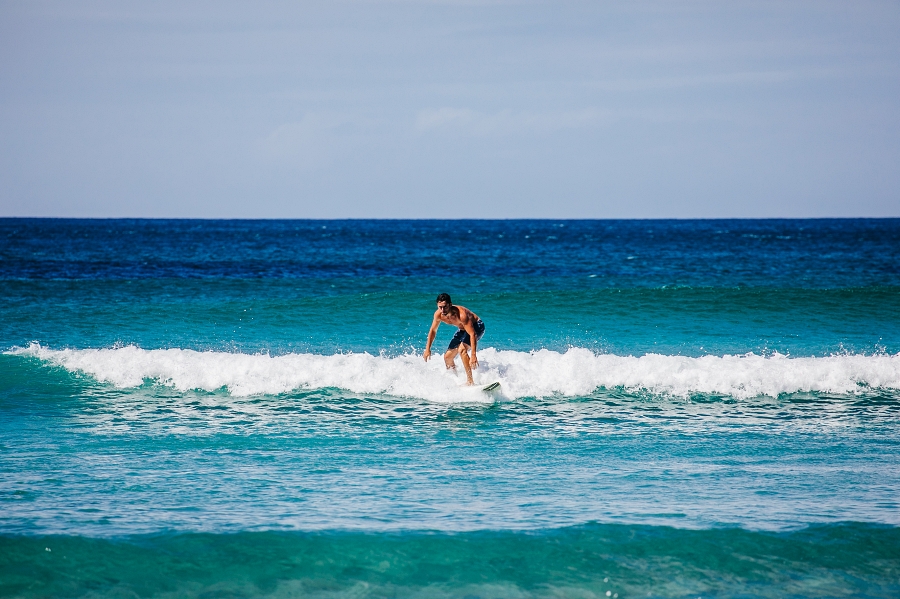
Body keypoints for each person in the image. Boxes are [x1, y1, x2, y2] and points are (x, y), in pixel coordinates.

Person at [423, 293, 485, 385]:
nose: (442, 310)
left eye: (445, 307)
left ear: (450, 305)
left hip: (477, 327)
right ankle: (455, 379)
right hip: (463, 329)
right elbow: (433, 331)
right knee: (447, 357)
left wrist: (473, 355)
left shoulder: (461, 315)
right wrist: (428, 349)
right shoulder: (438, 315)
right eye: (440, 307)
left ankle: (470, 381)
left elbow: (472, 334)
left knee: (462, 350)